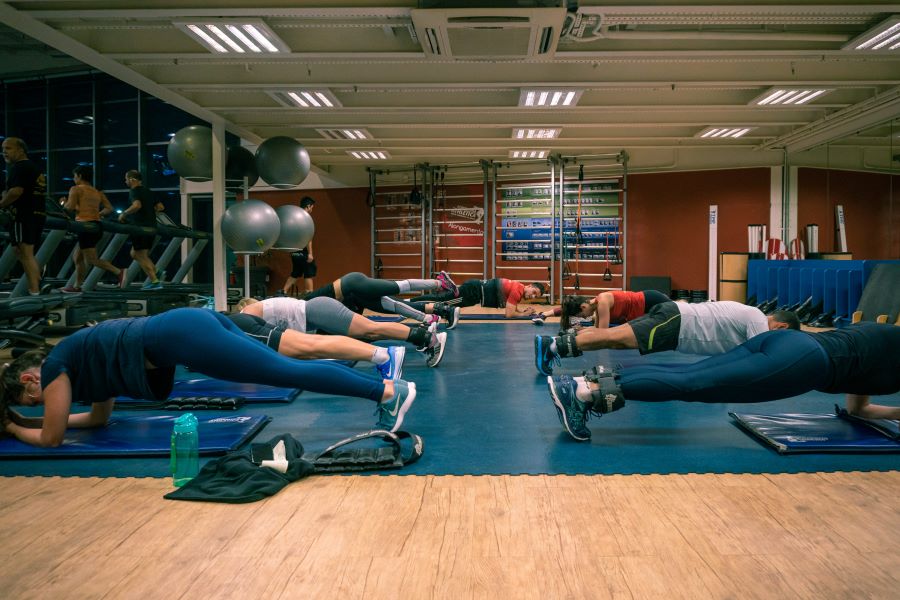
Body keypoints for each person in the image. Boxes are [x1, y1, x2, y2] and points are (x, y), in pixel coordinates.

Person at [0, 308, 418, 448]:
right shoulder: (81, 363)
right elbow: (96, 420)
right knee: (285, 367)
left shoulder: (56, 367)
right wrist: (29, 422)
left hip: (180, 335)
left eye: (33, 402)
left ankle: (384, 392)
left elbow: (53, 437)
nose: (44, 406)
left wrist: (14, 429)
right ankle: (383, 390)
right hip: (184, 327)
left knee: (284, 370)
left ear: (29, 380)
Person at [545, 322, 900, 442]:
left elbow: (859, 408)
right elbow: (861, 407)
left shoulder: (886, 339)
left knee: (692, 375)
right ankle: (582, 394)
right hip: (805, 362)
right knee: (697, 386)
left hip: (786, 341)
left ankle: (580, 383)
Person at [535, 300, 800, 376]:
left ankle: (558, 344)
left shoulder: (752, 316)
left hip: (677, 323)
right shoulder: (757, 320)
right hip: (678, 324)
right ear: (782, 328)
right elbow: (760, 357)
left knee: (612, 337)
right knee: (612, 338)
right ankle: (553, 346)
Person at [239, 295, 447, 367]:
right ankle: (422, 337)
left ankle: (429, 338)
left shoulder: (248, 311)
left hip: (317, 311)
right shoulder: (258, 309)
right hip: (316, 315)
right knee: (369, 332)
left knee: (371, 329)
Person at [227, 312, 406, 381]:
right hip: (238, 322)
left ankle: (383, 356)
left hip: (236, 325)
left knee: (310, 346)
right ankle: (381, 357)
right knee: (309, 351)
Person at [304, 270, 458, 329]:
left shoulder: (302, 308)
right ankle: (428, 319)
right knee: (392, 306)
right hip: (352, 297)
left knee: (397, 287)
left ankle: (440, 282)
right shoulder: (305, 317)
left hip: (353, 284)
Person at [60, 165, 125, 293]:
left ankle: (119, 272)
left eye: (74, 176)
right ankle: (77, 286)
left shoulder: (75, 189)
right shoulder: (97, 192)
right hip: (96, 226)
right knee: (77, 257)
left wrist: (63, 203)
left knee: (91, 259)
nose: (74, 179)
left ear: (79, 176)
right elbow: (109, 209)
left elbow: (70, 207)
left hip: (85, 226)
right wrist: (97, 214)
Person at [0, 137, 46, 295]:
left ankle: (34, 290)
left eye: (8, 148)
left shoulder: (19, 167)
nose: (4, 151)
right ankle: (36, 285)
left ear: (21, 150)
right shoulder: (34, 168)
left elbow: (15, 192)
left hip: (24, 215)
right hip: (36, 215)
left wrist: (1, 204)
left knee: (25, 252)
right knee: (20, 251)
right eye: (3, 148)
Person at [404, 278, 547, 329]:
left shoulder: (518, 288)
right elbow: (509, 314)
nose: (532, 295)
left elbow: (512, 311)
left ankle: (413, 305)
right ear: (529, 285)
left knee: (444, 304)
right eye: (533, 291)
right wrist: (525, 314)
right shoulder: (518, 290)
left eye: (535, 296)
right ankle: (408, 303)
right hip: (472, 291)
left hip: (474, 295)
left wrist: (522, 312)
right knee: (441, 301)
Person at [532, 290, 672, 329]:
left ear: (584, 306)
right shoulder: (598, 306)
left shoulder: (602, 303)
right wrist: (583, 330)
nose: (585, 317)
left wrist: (581, 335)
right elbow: (597, 328)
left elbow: (602, 333)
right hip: (642, 310)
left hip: (651, 300)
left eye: (582, 315)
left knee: (680, 312)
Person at [119, 169, 163, 290]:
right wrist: (148, 212)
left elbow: (137, 205)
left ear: (132, 179)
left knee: (140, 255)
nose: (125, 181)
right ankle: (156, 271)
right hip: (152, 227)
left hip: (140, 228)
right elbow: (160, 207)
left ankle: (155, 281)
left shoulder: (134, 191)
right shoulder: (149, 191)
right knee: (136, 253)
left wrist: (124, 214)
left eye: (126, 179)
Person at [281, 196, 317, 296]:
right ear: (308, 206)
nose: (311, 210)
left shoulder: (295, 216)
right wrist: (310, 253)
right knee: (308, 273)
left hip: (294, 251)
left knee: (295, 273)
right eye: (312, 207)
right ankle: (309, 295)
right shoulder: (306, 218)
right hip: (303, 251)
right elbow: (308, 238)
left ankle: (283, 292)